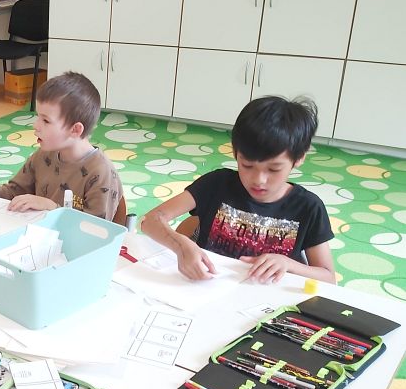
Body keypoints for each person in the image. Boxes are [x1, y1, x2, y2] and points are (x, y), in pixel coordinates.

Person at [141, 95, 335, 284]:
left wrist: (288, 264)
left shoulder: (308, 207)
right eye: (247, 165)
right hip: (208, 289)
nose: (259, 180)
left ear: (299, 157)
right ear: (235, 152)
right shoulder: (217, 184)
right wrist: (181, 245)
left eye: (273, 169)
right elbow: (150, 220)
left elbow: (328, 278)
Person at [0, 71, 122, 220]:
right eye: (38, 117)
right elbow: (15, 193)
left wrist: (51, 207)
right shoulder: (43, 156)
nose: (35, 125)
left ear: (75, 130)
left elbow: (97, 229)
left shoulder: (101, 173)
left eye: (46, 120)